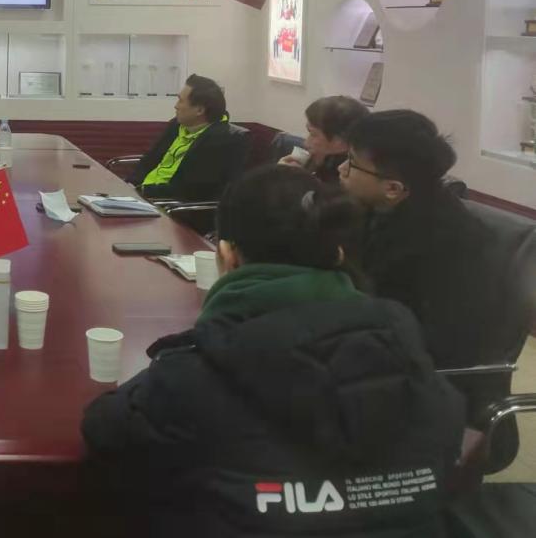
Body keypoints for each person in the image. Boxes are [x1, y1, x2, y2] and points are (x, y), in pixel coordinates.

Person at [82, 164, 465, 538]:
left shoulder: (191, 378)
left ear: (227, 256)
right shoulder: (416, 365)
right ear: (337, 255)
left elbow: (104, 429)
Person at [341, 110, 516, 420]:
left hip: (428, 389)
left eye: (352, 162)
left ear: (393, 188)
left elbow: (437, 344)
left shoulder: (449, 244)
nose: (342, 169)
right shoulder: (386, 209)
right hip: (381, 356)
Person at [127, 73, 249, 202]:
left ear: (199, 110)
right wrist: (130, 183)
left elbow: (191, 189)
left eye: (180, 100)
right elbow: (150, 159)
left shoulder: (222, 139)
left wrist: (143, 190)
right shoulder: (177, 125)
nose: (176, 106)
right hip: (142, 195)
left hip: (168, 204)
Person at [279, 95, 368, 184]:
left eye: (313, 134)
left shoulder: (348, 183)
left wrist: (283, 178)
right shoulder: (327, 161)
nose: (306, 143)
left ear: (340, 142)